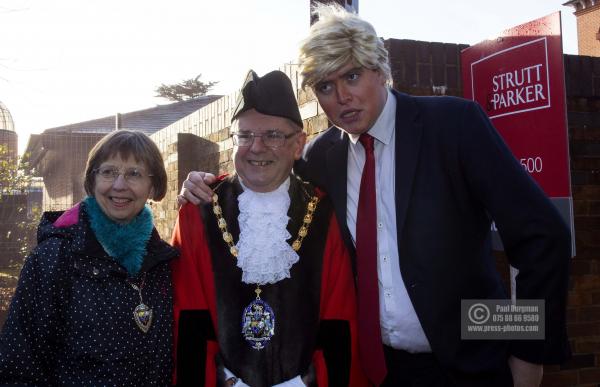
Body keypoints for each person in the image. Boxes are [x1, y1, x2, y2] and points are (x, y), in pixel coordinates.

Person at [178, 4, 571, 387]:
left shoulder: (454, 125)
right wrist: (202, 184)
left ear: (381, 71)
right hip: (376, 371)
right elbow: (267, 179)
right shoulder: (321, 155)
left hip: (471, 363)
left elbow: (542, 235)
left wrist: (527, 353)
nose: (342, 97)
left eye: (351, 76)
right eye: (326, 86)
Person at [171, 69, 366, 387]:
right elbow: (187, 321)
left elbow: (339, 321)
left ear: (298, 144)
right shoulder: (199, 212)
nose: (256, 147)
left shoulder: (323, 212)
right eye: (244, 136)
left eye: (273, 135)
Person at [0, 130, 178, 385]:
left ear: (154, 185)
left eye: (134, 174)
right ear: (92, 180)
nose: (119, 185)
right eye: (108, 172)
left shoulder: (163, 263)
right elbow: (18, 368)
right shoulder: (54, 258)